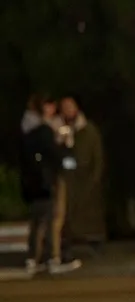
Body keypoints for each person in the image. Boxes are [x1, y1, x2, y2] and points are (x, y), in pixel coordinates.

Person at [19, 95, 81, 274]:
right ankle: (53, 258)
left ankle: (34, 258)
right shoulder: (44, 130)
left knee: (38, 220)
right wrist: (66, 148)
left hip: (32, 180)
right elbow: (55, 154)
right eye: (49, 105)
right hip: (48, 179)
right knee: (53, 218)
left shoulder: (26, 128)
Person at [58, 96, 106, 251]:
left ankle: (94, 239)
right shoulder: (58, 127)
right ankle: (66, 240)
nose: (67, 110)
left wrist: (96, 175)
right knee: (66, 209)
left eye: (70, 106)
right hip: (67, 175)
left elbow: (97, 154)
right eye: (64, 107)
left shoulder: (88, 129)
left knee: (88, 209)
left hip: (85, 175)